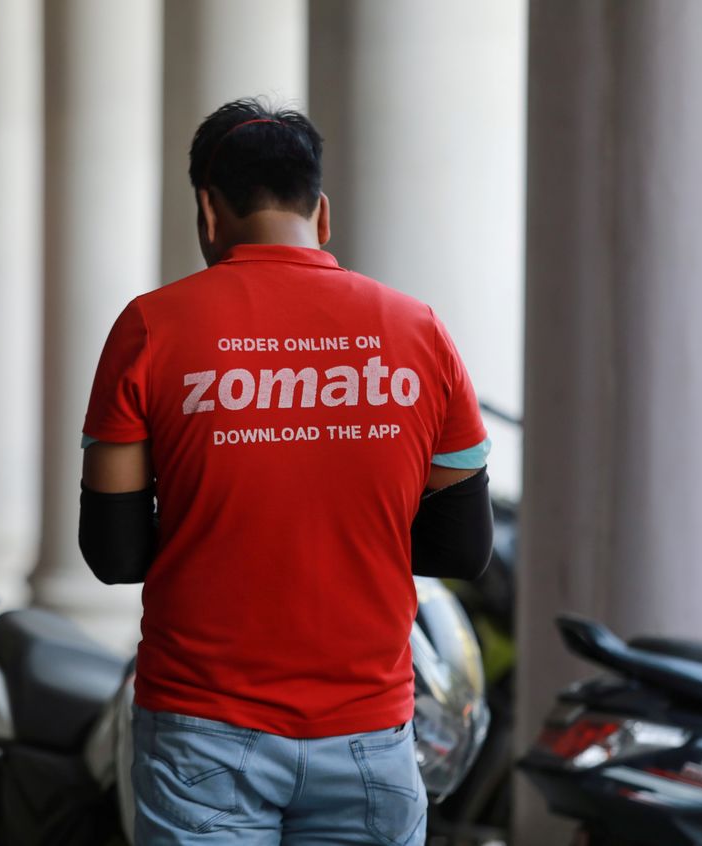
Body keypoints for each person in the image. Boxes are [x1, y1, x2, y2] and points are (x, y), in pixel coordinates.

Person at [78, 98, 495, 845]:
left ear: (209, 211)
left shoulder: (152, 327)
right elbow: (463, 548)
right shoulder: (419, 331)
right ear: (321, 213)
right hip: (371, 730)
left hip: (203, 731)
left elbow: (113, 555)